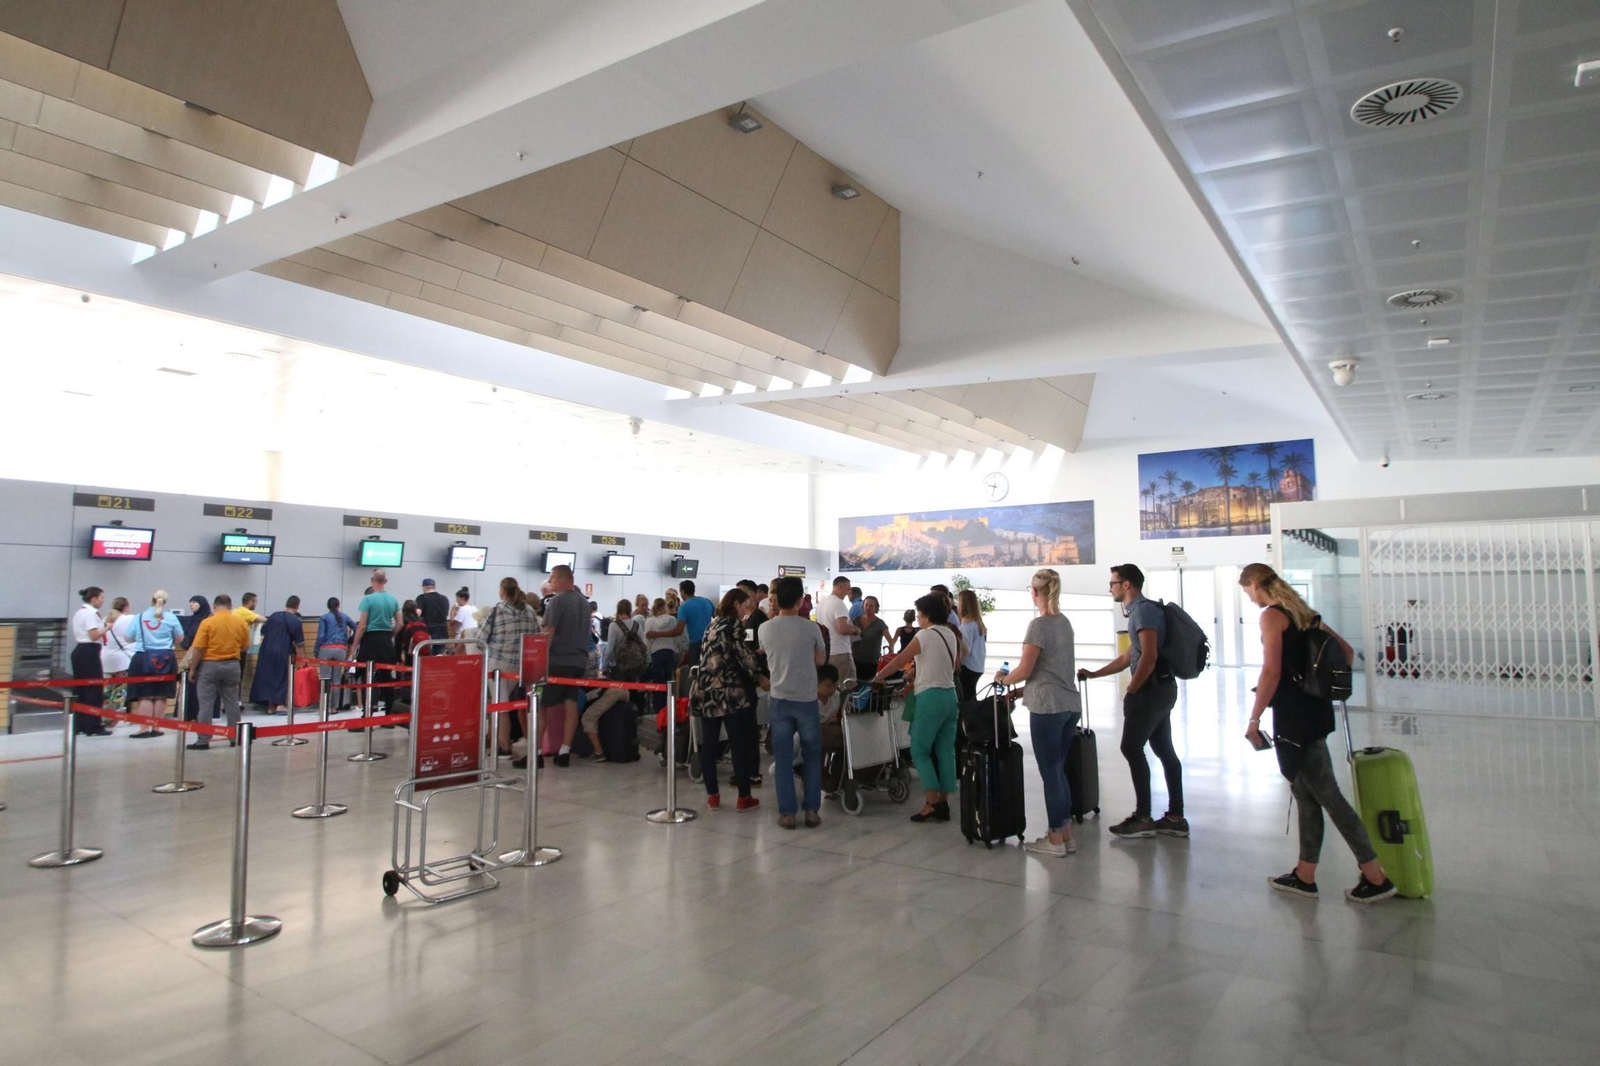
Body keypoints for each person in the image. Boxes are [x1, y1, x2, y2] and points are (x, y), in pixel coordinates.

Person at [1241, 563, 1397, 903]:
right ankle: (1304, 874)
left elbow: (1272, 669)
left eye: (1246, 591)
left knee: (1329, 797)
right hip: (1316, 711)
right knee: (1306, 794)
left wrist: (1254, 720)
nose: (1249, 598)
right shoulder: (1304, 613)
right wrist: (1309, 682)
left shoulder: (1271, 615)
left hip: (1294, 719)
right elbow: (1346, 652)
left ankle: (1375, 875)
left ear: (1254, 584)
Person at [1078, 563, 1187, 840]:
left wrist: (1133, 690)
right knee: (1163, 749)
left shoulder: (1143, 611)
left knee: (1131, 746)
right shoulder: (1140, 612)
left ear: (1127, 585)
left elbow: (1148, 656)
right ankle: (1175, 817)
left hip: (1151, 692)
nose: (1110, 588)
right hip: (1160, 690)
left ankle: (1143, 817)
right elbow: (1130, 656)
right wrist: (1096, 673)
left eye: (1113, 583)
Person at [995, 569, 1081, 857]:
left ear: (1034, 592)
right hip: (1069, 704)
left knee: (1050, 774)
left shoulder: (1039, 626)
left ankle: (1055, 837)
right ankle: (1066, 834)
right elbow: (1051, 670)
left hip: (1048, 708)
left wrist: (1003, 680)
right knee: (1059, 770)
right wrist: (1021, 691)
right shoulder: (1065, 623)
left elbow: (1026, 669)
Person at [873, 593, 964, 824]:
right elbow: (948, 664)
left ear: (927, 615)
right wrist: (917, 670)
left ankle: (931, 802)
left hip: (930, 697)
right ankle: (943, 802)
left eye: (920, 614)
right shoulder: (951, 634)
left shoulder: (924, 634)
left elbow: (898, 659)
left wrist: (879, 676)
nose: (918, 618)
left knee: (920, 750)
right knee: (946, 751)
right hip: (950, 696)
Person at [759, 576, 826, 829]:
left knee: (784, 757)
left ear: (775, 600)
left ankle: (787, 813)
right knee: (811, 755)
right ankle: (812, 811)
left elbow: (766, 653)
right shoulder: (812, 628)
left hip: (779, 699)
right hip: (807, 699)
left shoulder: (765, 629)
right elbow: (821, 661)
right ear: (800, 600)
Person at [694, 588, 762, 811]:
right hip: (730, 693)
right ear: (736, 605)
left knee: (709, 745)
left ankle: (712, 796)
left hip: (706, 691)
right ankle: (744, 797)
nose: (745, 610)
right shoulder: (734, 625)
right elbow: (743, 656)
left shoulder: (712, 624)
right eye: (744, 605)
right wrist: (759, 675)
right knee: (738, 744)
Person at [478, 577, 540, 761]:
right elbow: (535, 635)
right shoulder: (529, 611)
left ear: (502, 591)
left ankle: (504, 747)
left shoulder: (496, 610)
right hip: (520, 665)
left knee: (501, 707)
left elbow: (480, 639)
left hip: (498, 665)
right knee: (510, 705)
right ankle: (511, 741)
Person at [580, 598, 645, 761]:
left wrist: (606, 665)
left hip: (619, 669)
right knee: (630, 703)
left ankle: (601, 748)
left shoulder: (616, 625)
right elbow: (643, 645)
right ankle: (632, 732)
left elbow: (610, 648)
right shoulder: (637, 625)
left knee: (611, 701)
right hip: (635, 668)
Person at [539, 564, 589, 767]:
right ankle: (564, 751)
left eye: (552, 579)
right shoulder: (584, 603)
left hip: (557, 662)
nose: (550, 583)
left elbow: (548, 632)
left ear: (562, 579)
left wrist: (539, 659)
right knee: (570, 706)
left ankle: (536, 753)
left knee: (540, 705)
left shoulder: (556, 601)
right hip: (578, 662)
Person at [186, 594, 251, 749]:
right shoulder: (240, 622)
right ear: (230, 606)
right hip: (233, 665)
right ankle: (234, 737)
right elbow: (245, 647)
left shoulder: (207, 622)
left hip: (210, 666)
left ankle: (203, 739)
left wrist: (193, 669)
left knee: (206, 703)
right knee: (232, 702)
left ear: (214, 606)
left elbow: (199, 648)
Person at [128, 589, 185, 733]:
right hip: (166, 659)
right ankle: (157, 727)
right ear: (165, 602)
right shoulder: (171, 618)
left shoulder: (139, 617)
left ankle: (144, 728)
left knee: (145, 695)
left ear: (151, 600)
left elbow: (128, 637)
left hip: (142, 657)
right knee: (161, 695)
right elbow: (180, 638)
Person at [351, 570, 401, 713]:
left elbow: (362, 626)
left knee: (367, 677)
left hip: (370, 641)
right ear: (385, 581)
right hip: (386, 641)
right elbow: (400, 623)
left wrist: (354, 647)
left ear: (372, 580)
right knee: (387, 679)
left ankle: (367, 715)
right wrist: (390, 635)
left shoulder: (368, 600)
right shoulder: (393, 600)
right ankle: (389, 716)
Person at [68, 587, 111, 736]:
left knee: (80, 690)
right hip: (89, 651)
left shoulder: (80, 612)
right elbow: (93, 635)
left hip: (80, 651)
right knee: (94, 689)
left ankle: (79, 724)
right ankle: (93, 725)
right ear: (93, 599)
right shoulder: (90, 613)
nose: (102, 601)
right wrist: (107, 628)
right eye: (101, 598)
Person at [250, 596, 304, 714]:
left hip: (266, 650)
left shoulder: (274, 616)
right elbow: (299, 643)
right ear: (297, 606)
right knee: (283, 677)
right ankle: (280, 705)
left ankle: (270, 707)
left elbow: (263, 631)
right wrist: (303, 659)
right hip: (284, 651)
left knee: (268, 676)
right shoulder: (295, 620)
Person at [817, 575, 859, 687]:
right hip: (841, 653)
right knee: (846, 687)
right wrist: (855, 629)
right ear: (840, 586)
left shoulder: (821, 604)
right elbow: (843, 628)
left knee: (829, 689)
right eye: (848, 588)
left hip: (827, 652)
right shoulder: (838, 603)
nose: (849, 592)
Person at [316, 597, 356, 709]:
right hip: (340, 649)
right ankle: (333, 707)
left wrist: (316, 650)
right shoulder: (345, 617)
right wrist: (350, 640)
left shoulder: (324, 617)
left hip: (325, 649)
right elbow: (356, 627)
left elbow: (320, 636)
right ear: (338, 605)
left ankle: (324, 707)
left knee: (325, 678)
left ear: (328, 606)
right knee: (336, 679)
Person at [179, 593, 213, 724]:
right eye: (190, 602)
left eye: (194, 602)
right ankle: (189, 714)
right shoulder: (190, 620)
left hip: (205, 659)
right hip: (192, 659)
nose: (191, 605)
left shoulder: (209, 620)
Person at [99, 596, 135, 712]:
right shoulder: (128, 619)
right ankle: (111, 718)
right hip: (122, 662)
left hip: (105, 661)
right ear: (126, 607)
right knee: (119, 692)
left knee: (106, 691)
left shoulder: (104, 620)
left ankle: (103, 715)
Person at [644, 598, 680, 710]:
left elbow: (647, 641)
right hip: (670, 651)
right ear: (664, 607)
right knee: (669, 680)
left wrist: (647, 655)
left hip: (656, 652)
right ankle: (669, 706)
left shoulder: (650, 621)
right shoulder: (672, 620)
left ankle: (657, 707)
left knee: (658, 680)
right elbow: (677, 637)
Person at [956, 589, 988, 704]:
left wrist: (957, 662)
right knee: (971, 697)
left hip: (968, 666)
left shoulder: (966, 623)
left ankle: (968, 721)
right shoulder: (977, 621)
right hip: (977, 665)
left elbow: (966, 649)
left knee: (966, 700)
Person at [674, 580, 714, 665]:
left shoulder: (683, 607)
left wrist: (658, 634)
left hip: (695, 644)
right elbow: (718, 617)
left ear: (682, 591)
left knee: (695, 671)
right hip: (709, 641)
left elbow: (678, 630)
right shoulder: (707, 601)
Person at [851, 596, 889, 682]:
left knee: (868, 687)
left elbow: (890, 640)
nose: (868, 607)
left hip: (871, 662)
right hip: (855, 660)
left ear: (876, 608)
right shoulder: (856, 620)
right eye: (866, 605)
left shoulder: (880, 624)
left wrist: (890, 653)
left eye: (871, 606)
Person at [395, 599, 431, 666]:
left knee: (408, 670)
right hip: (422, 649)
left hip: (408, 651)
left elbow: (398, 640)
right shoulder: (422, 620)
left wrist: (398, 658)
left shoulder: (403, 620)